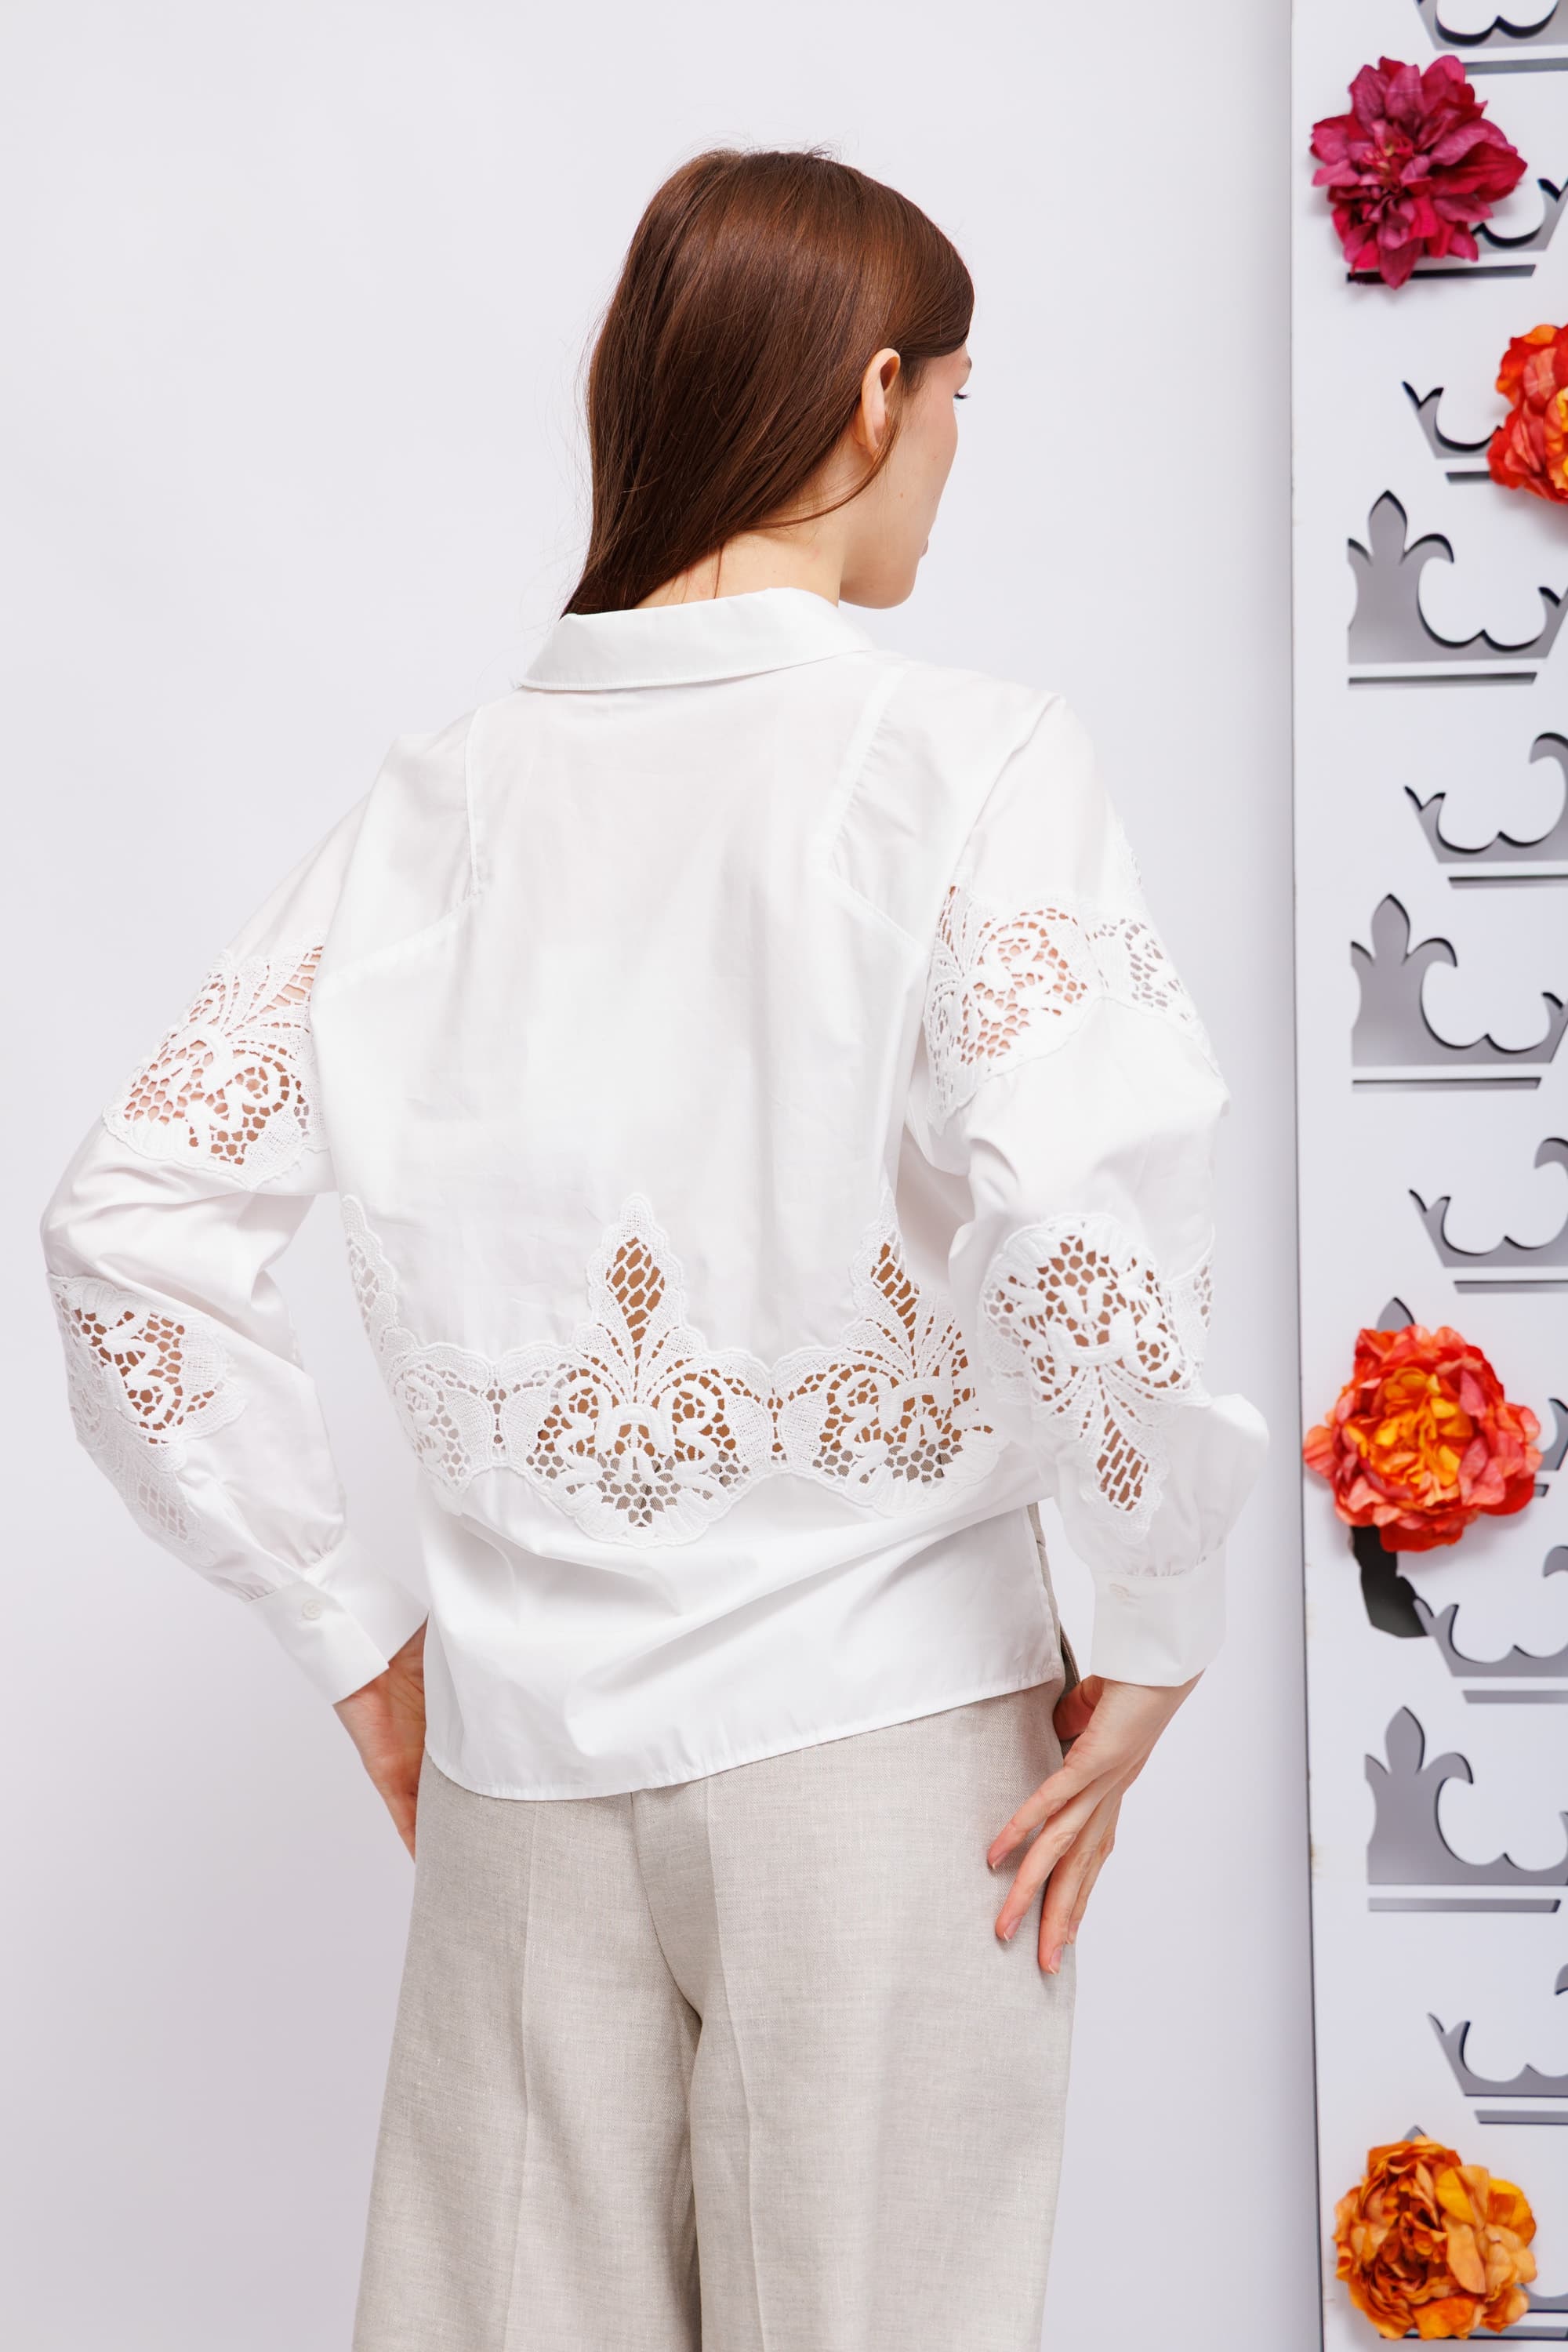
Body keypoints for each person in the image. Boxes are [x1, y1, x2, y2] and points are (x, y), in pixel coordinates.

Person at [41, 146, 1269, 2352]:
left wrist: (354, 1634)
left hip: (521, 1776)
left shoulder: (436, 802)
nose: (957, 451)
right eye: (961, 396)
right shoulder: (966, 760)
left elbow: (130, 1221)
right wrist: (1159, 1605)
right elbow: (1079, 1208)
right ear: (876, 393)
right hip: (891, 1747)